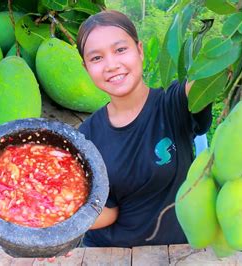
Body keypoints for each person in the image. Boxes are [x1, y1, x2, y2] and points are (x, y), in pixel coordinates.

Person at [77, 10, 212, 248]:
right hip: (107, 255)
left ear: (139, 50)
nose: (111, 65)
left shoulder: (174, 104)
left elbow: (218, 74)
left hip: (175, 253)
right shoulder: (86, 135)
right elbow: (107, 211)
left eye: (120, 50)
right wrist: (57, 228)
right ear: (86, 67)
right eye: (96, 58)